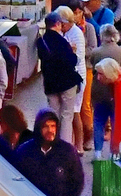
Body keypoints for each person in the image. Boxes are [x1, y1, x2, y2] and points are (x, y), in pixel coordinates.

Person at [37, 11, 85, 144]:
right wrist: (73, 51)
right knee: (67, 116)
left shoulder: (41, 41)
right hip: (67, 82)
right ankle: (64, 146)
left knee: (54, 116)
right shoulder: (62, 41)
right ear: (57, 24)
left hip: (50, 83)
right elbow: (72, 61)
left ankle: (53, 142)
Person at [11, 109, 83, 196]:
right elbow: (16, 180)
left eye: (53, 126)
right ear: (38, 128)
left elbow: (77, 183)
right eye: (45, 126)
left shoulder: (67, 151)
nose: (50, 130)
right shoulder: (24, 151)